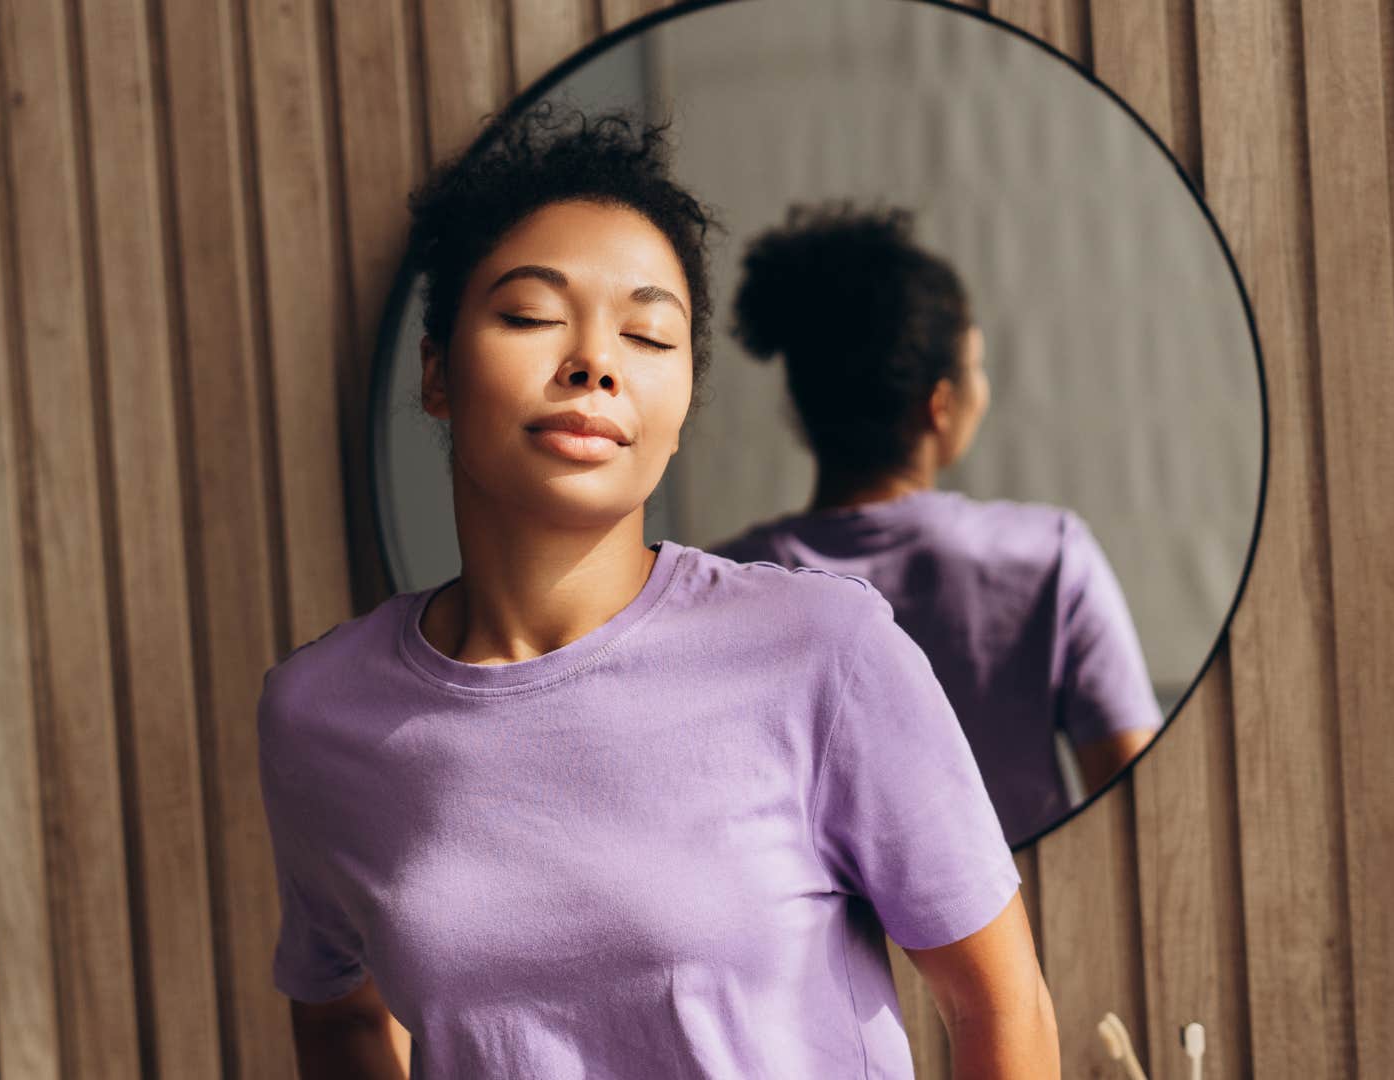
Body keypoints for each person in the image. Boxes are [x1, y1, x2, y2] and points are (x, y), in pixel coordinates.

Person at [257, 106, 1058, 1079]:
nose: (594, 363)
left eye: (647, 335)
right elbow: (341, 1015)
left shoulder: (821, 650)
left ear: (680, 409)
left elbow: (1001, 1005)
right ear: (437, 373)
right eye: (531, 316)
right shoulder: (321, 714)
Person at [710, 203, 1163, 845]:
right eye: (975, 365)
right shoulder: (1049, 556)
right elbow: (1141, 803)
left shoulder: (723, 585)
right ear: (940, 404)